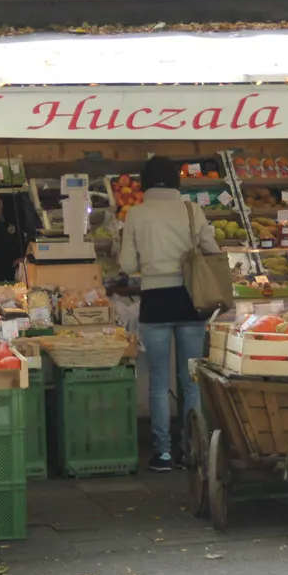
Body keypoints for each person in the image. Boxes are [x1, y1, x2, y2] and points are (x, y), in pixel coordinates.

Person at [118, 156, 219, 473]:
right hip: (191, 300)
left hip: (155, 301)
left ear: (144, 181)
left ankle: (162, 453)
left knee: (159, 381)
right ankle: (193, 450)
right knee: (191, 381)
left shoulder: (136, 214)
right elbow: (212, 249)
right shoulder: (192, 210)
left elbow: (126, 265)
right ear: (177, 180)